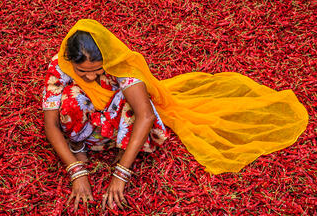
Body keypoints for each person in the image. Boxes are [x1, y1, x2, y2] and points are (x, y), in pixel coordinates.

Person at [43, 19, 308, 211]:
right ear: (70, 60)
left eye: (97, 70)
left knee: (130, 103)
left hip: (118, 117)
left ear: (107, 60)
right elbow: (51, 123)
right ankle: (81, 147)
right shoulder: (60, 65)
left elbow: (145, 116)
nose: (90, 76)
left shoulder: (120, 64)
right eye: (82, 71)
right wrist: (76, 171)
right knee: (71, 98)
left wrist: (121, 172)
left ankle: (115, 146)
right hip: (92, 123)